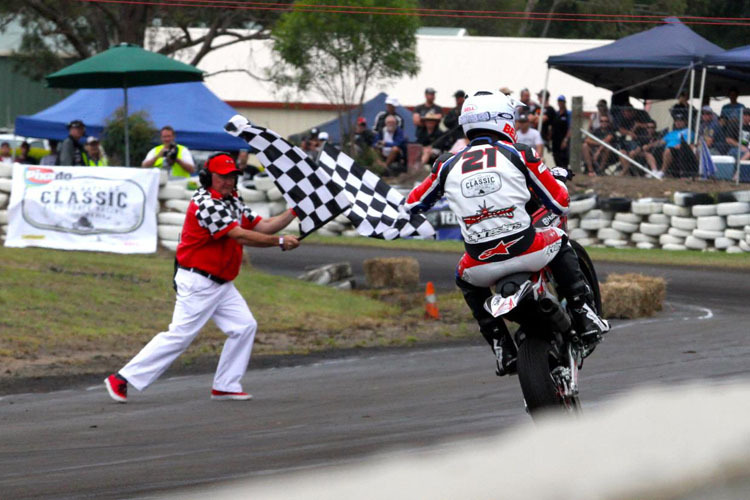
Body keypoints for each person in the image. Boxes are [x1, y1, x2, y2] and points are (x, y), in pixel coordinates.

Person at [405, 90, 609, 377]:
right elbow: (560, 202)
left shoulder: (445, 164)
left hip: (480, 265)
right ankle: (585, 315)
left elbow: (413, 203)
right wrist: (554, 179)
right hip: (528, 249)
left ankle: (501, 345)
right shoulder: (518, 152)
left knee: (462, 277)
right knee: (560, 238)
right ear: (502, 119)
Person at [104, 153, 300, 403]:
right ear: (208, 177)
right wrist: (280, 242)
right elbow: (240, 236)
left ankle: (226, 385)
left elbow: (262, 226)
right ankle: (122, 378)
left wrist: (294, 211)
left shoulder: (233, 199)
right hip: (199, 281)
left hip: (221, 282)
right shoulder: (206, 203)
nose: (228, 182)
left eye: (232, 177)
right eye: (222, 177)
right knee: (179, 336)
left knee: (244, 326)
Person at [654, 114, 695, 178]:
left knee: (668, 150)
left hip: (678, 150)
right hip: (668, 149)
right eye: (676, 121)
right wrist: (649, 145)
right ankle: (654, 170)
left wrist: (676, 146)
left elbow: (686, 144)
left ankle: (662, 171)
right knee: (656, 150)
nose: (678, 122)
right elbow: (662, 141)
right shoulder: (671, 133)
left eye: (680, 121)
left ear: (685, 122)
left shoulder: (688, 131)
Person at [551, 95, 571, 167]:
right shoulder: (556, 114)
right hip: (555, 140)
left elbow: (570, 127)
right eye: (559, 101)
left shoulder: (568, 114)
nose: (560, 103)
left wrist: (565, 140)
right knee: (556, 157)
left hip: (563, 139)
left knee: (564, 159)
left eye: (562, 101)